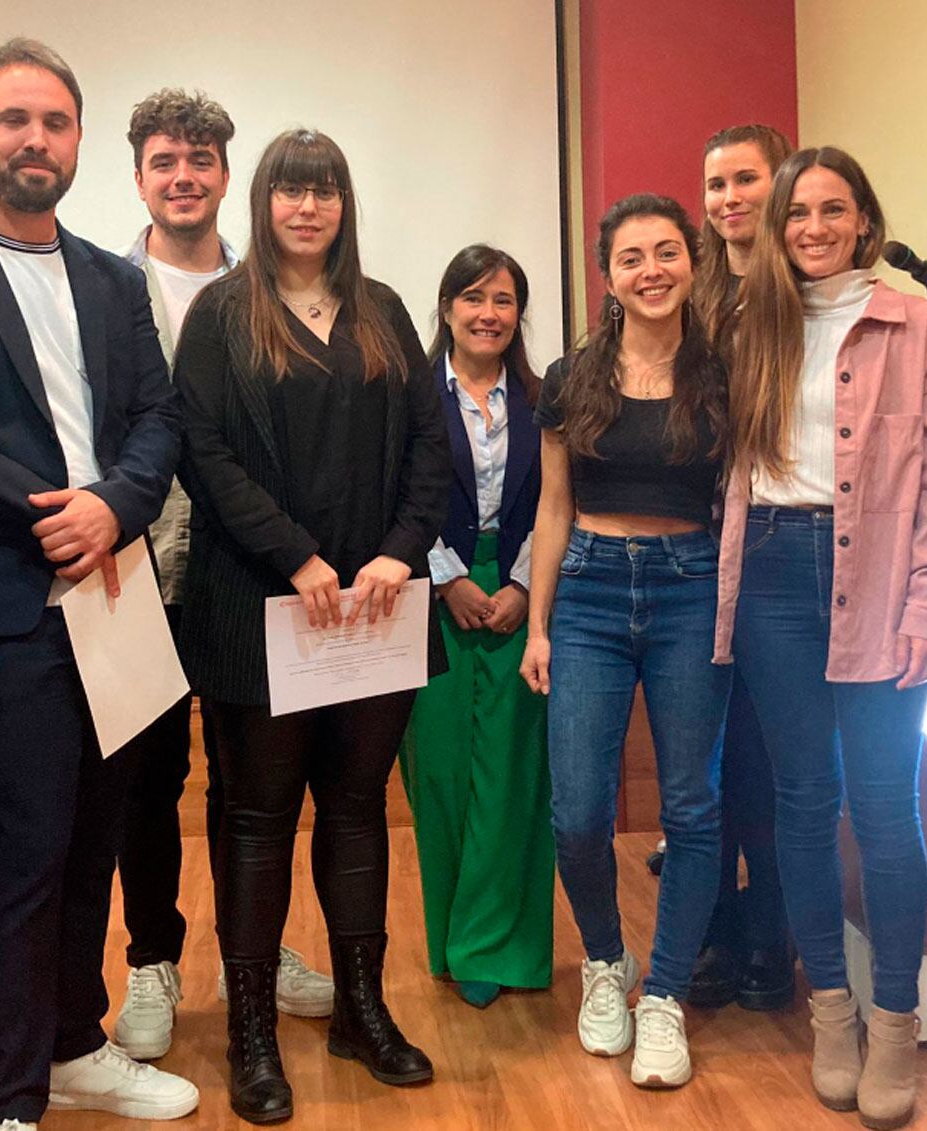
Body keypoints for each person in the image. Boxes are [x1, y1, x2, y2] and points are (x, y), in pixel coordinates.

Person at [0, 39, 196, 1128]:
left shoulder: (113, 278)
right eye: (16, 119)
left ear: (80, 141)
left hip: (116, 599)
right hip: (1, 603)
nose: (38, 139)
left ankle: (80, 1047)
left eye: (58, 122)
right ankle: (11, 1096)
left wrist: (116, 507)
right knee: (23, 855)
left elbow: (159, 419)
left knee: (96, 842)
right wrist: (55, 512)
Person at [174, 127, 452, 1123]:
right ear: (264, 203)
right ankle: (251, 1029)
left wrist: (399, 550)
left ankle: (360, 1009)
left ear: (343, 203)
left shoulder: (380, 312)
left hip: (374, 609)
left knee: (356, 807)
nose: (307, 206)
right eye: (290, 190)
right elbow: (203, 454)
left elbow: (431, 445)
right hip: (261, 607)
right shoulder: (219, 314)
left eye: (324, 188)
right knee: (255, 820)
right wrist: (296, 555)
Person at [715, 146, 927, 1130]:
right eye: (798, 213)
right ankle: (832, 1010)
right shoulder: (752, 323)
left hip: (878, 573)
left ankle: (895, 1023)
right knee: (801, 801)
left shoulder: (919, 327)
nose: (814, 227)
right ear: (777, 230)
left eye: (834, 210)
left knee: (885, 809)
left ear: (865, 221)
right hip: (777, 568)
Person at [109, 89, 332, 1065]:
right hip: (139, 572)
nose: (183, 177)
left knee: (255, 784)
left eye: (200, 161)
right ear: (140, 176)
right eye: (165, 161)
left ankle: (258, 943)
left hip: (250, 575)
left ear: (225, 177)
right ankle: (153, 960)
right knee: (144, 784)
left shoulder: (276, 293)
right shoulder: (102, 292)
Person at [521, 192, 731, 1090]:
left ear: (691, 259)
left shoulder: (725, 369)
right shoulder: (574, 375)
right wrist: (537, 621)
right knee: (577, 809)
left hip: (692, 591)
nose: (652, 269)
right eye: (632, 257)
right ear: (607, 274)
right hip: (592, 595)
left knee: (690, 807)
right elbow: (554, 505)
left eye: (667, 251)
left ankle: (667, 996)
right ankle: (606, 964)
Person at [398, 244, 552, 1010]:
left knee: (515, 772)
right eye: (472, 298)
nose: (488, 313)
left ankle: (502, 942)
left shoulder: (543, 394)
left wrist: (523, 582)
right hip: (429, 591)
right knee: (442, 773)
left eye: (503, 299)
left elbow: (561, 494)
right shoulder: (410, 392)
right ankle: (453, 938)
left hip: (528, 589)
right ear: (447, 308)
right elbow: (395, 488)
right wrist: (447, 575)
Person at [686, 123, 798, 1012]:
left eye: (745, 179)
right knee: (709, 763)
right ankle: (717, 931)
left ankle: (774, 938)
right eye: (715, 184)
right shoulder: (692, 296)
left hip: (776, 550)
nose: (728, 198)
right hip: (696, 551)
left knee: (770, 761)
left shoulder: (803, 291)